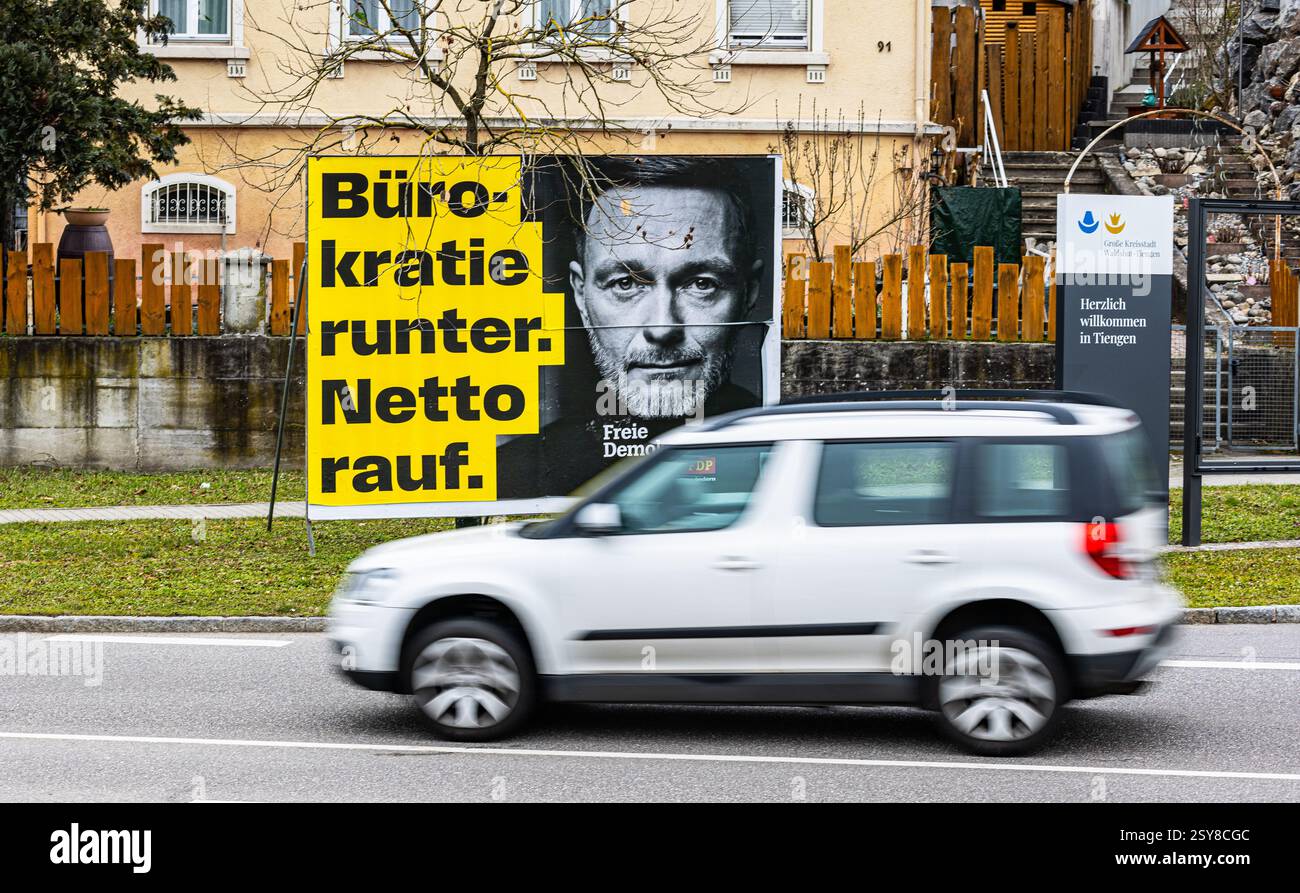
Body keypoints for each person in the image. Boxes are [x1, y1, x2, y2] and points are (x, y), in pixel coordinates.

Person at [495, 156, 769, 499]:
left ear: (749, 292)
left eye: (701, 283)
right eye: (625, 283)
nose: (663, 327)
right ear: (581, 294)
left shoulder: (778, 460)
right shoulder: (514, 474)